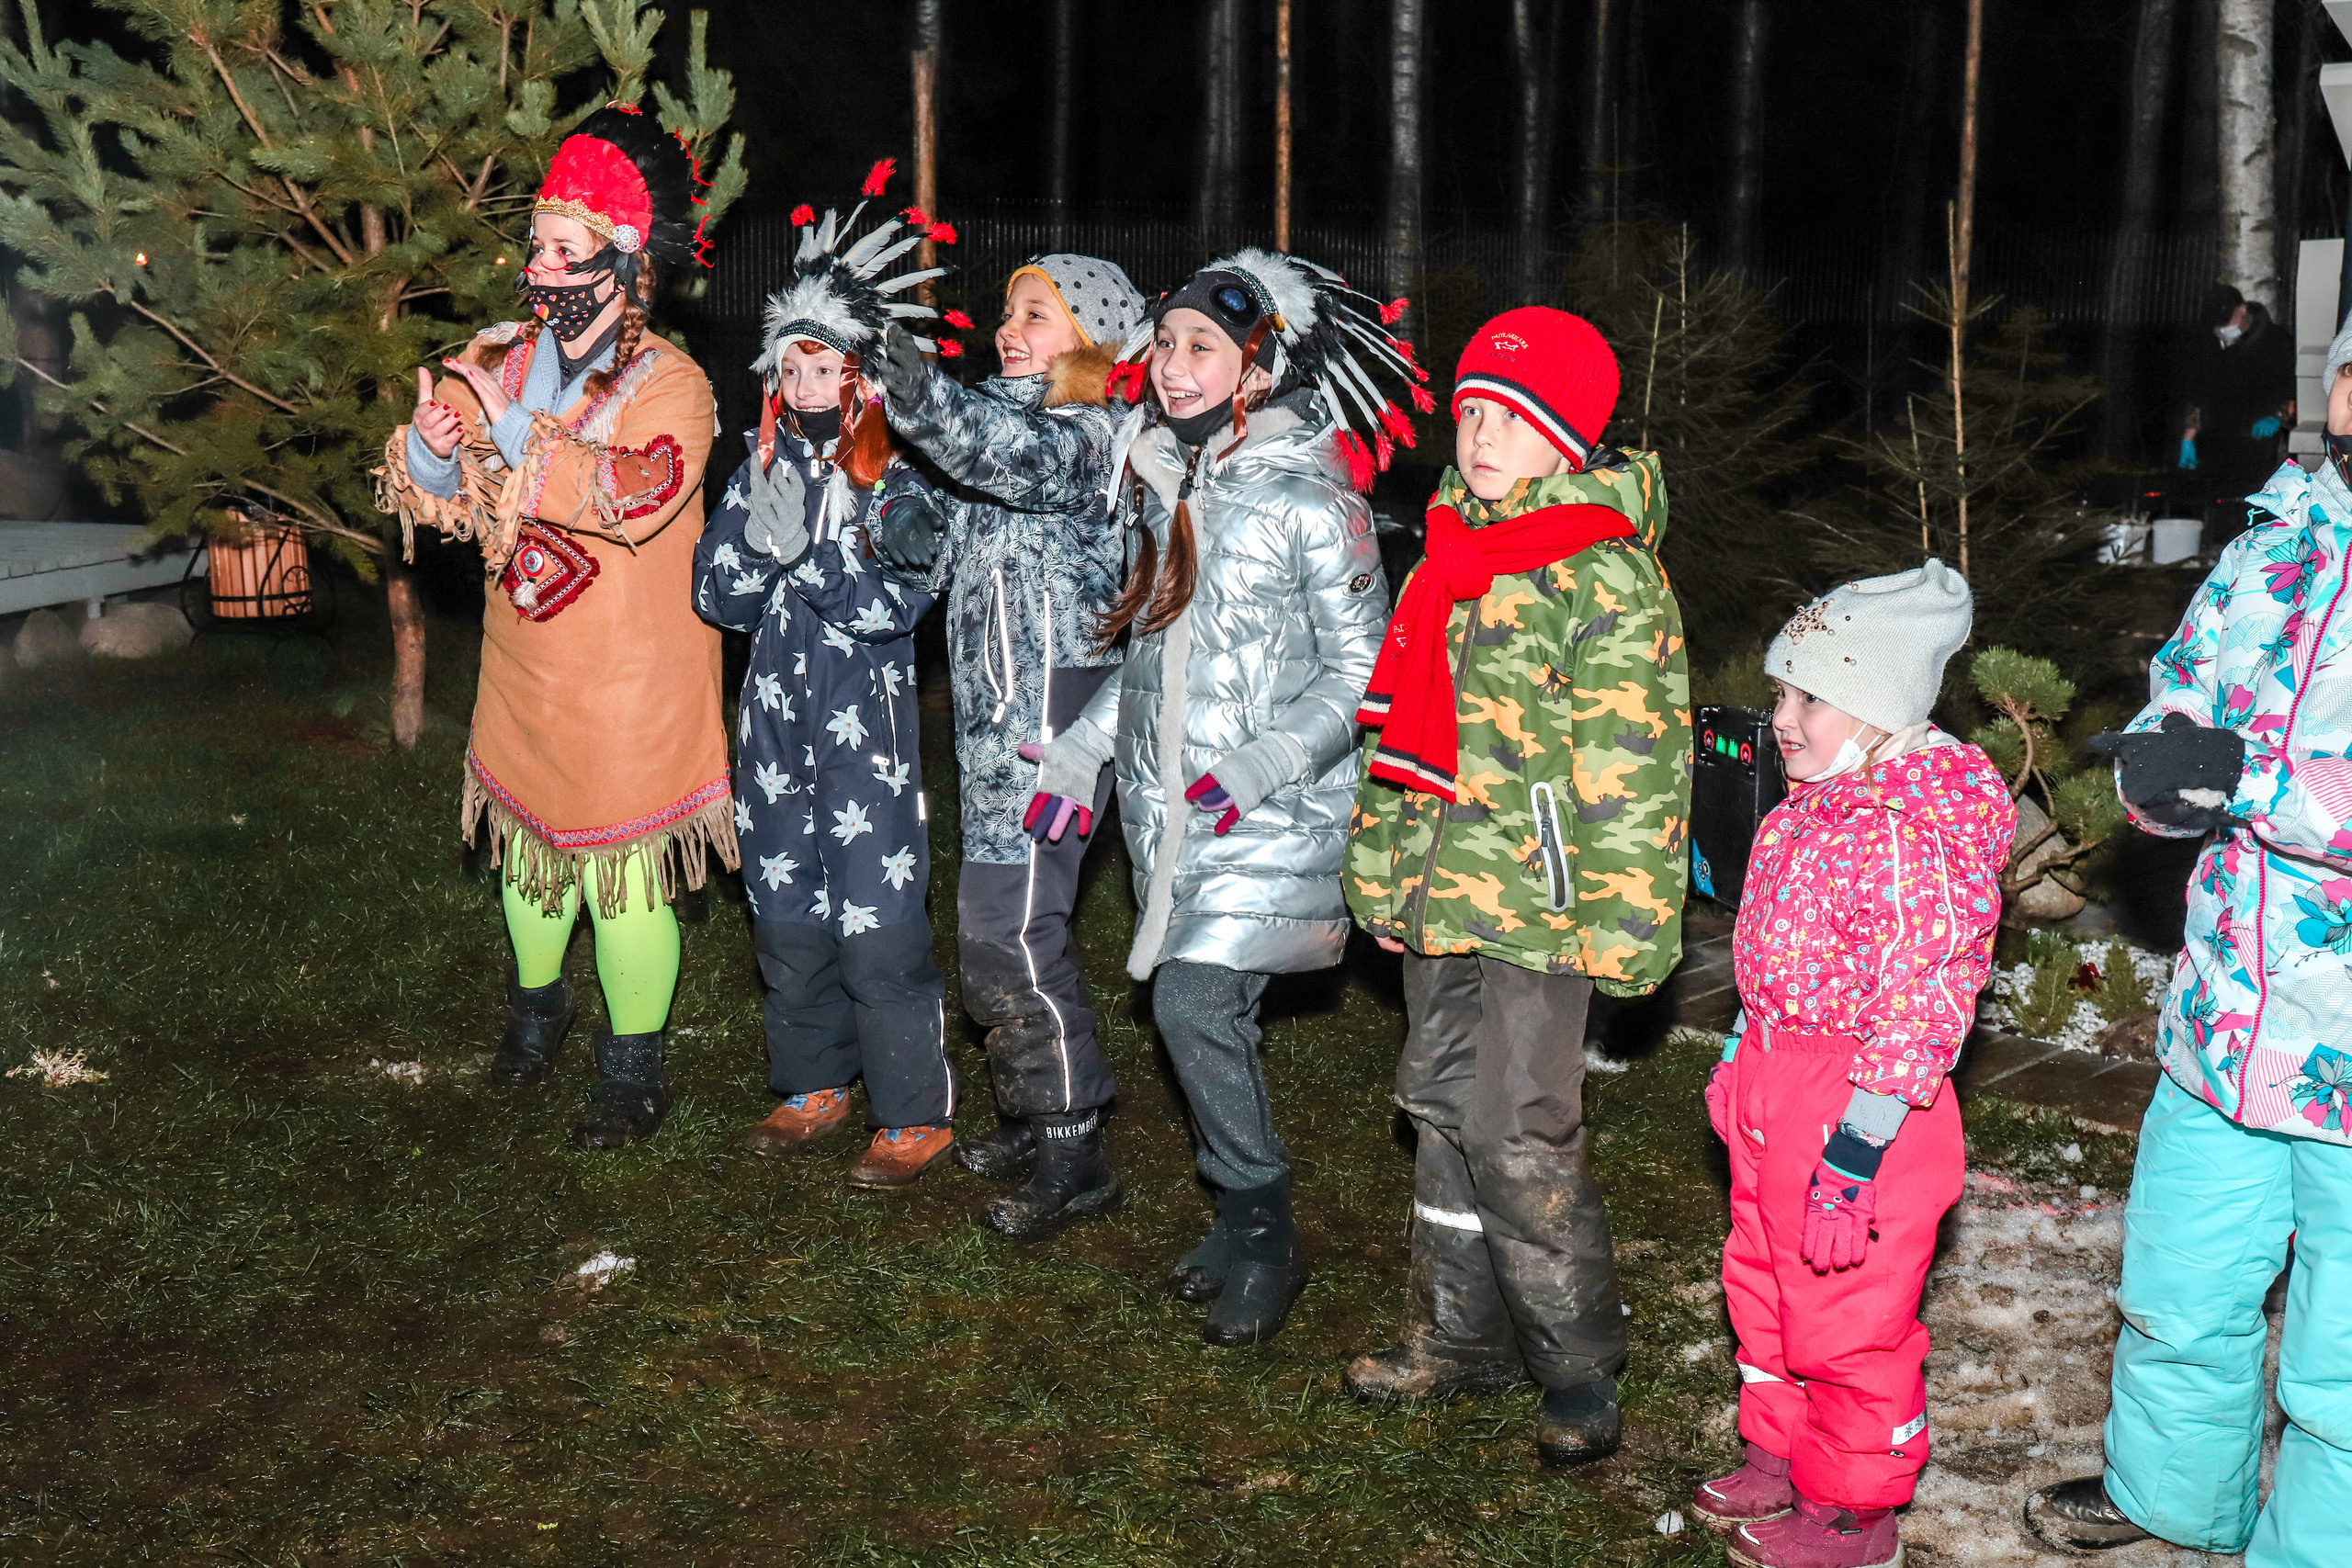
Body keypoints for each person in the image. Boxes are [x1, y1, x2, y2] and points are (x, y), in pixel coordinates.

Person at [1021, 249, 1413, 1342]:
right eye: (1166, 343)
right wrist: (1081, 752)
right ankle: (1237, 1221)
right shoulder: (1165, 479)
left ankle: (1266, 1232)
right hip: (1172, 811)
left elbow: (1361, 673)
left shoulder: (1309, 497)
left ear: (1256, 366)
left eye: (1203, 347)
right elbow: (1155, 662)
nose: (1174, 365)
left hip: (1271, 808)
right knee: (1203, 1018)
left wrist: (1262, 767)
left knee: (1192, 1003)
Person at [2022, 324, 2352, 1568]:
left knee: (2346, 1365)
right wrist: (2163, 770)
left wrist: (2249, 777)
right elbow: (2189, 694)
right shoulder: (2278, 535)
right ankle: (2170, 1493)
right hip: (2227, 1015)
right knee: (2180, 1289)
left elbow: (2270, 772)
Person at [1340, 307, 1692, 1468]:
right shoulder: (1448, 557)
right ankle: (1459, 1340)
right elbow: (1395, 742)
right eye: (1475, 410)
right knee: (1440, 1111)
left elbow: (1634, 776)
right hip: (1445, 899)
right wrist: (1383, 874)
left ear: (1567, 438)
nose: (1483, 436)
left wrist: (1633, 931)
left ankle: (1578, 1364)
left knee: (1519, 1132)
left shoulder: (1604, 580)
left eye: (1514, 418)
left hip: (1548, 914)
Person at [376, 104, 729, 1149]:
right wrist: (440, 447)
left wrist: (509, 418)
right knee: (530, 856)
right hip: (525, 663)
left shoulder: (676, 387)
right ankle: (538, 1013)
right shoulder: (499, 353)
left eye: (563, 250)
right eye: (536, 246)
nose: (539, 267)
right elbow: (448, 497)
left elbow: (633, 496)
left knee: (619, 873)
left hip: (633, 678)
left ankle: (634, 1069)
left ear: (622, 266)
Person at [1692, 563, 2014, 1568]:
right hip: (1781, 1084)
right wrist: (1745, 1057)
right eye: (1782, 691)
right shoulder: (1806, 807)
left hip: (1869, 1110)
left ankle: (1853, 1512)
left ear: (1874, 711)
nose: (1780, 717)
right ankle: (1784, 1452)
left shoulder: (1908, 835)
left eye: (1808, 697)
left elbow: (1926, 996)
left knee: (1849, 1321)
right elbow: (1771, 962)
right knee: (1766, 1284)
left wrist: (1858, 1146)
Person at [866, 254, 1147, 1237]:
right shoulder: (997, 424)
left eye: (1037, 313)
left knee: (1010, 932)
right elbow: (936, 522)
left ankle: (1076, 1151)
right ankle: (1037, 1114)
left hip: (1059, 714)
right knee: (998, 922)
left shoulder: (1095, 437)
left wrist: (919, 395)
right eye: (1007, 310)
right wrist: (898, 513)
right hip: (995, 706)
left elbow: (1003, 455)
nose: (1007, 326)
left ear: (1092, 337)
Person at [691, 170, 957, 1189]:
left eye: (826, 368)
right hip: (769, 740)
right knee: (787, 910)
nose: (806, 389)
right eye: (791, 370)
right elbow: (717, 601)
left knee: (877, 925)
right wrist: (760, 549)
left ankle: (912, 1111)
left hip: (869, 746)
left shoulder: (900, 482)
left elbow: (895, 608)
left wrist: (819, 554)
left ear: (863, 377)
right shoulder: (755, 467)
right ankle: (812, 1083)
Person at [2178, 282, 2295, 549]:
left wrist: (2277, 417)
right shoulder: (2209, 343)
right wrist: (2188, 436)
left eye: (2226, 321)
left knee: (2246, 518)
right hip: (2216, 444)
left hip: (2258, 447)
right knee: (2213, 516)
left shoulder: (2277, 342)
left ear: (2243, 311)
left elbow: (2292, 392)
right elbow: (2198, 393)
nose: (2221, 329)